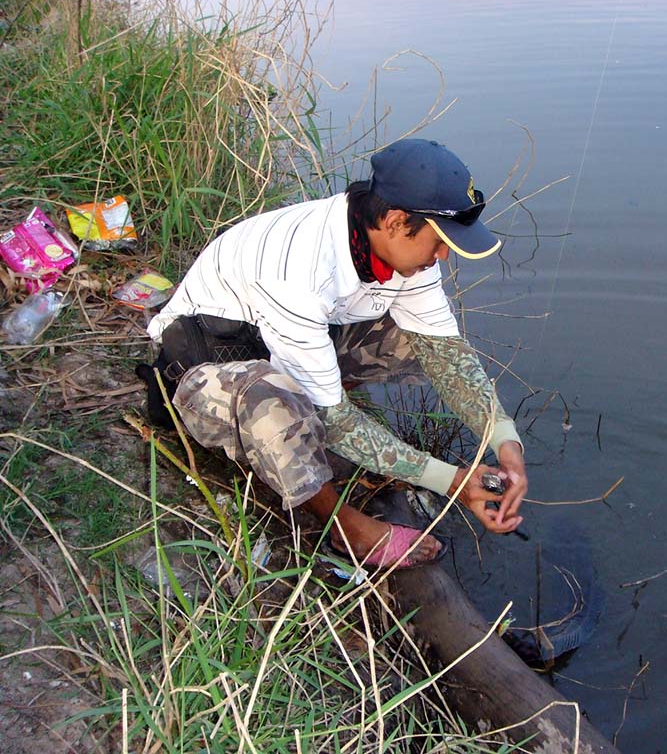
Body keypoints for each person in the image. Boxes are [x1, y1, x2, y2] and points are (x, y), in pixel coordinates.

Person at [141, 139, 527, 568]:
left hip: (275, 344)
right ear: (397, 221)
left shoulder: (394, 248)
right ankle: (346, 528)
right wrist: (453, 480)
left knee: (419, 343)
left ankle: (317, 396)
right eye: (439, 243)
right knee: (274, 405)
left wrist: (506, 444)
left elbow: (448, 357)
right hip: (202, 371)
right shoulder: (300, 271)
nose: (443, 257)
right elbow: (338, 424)